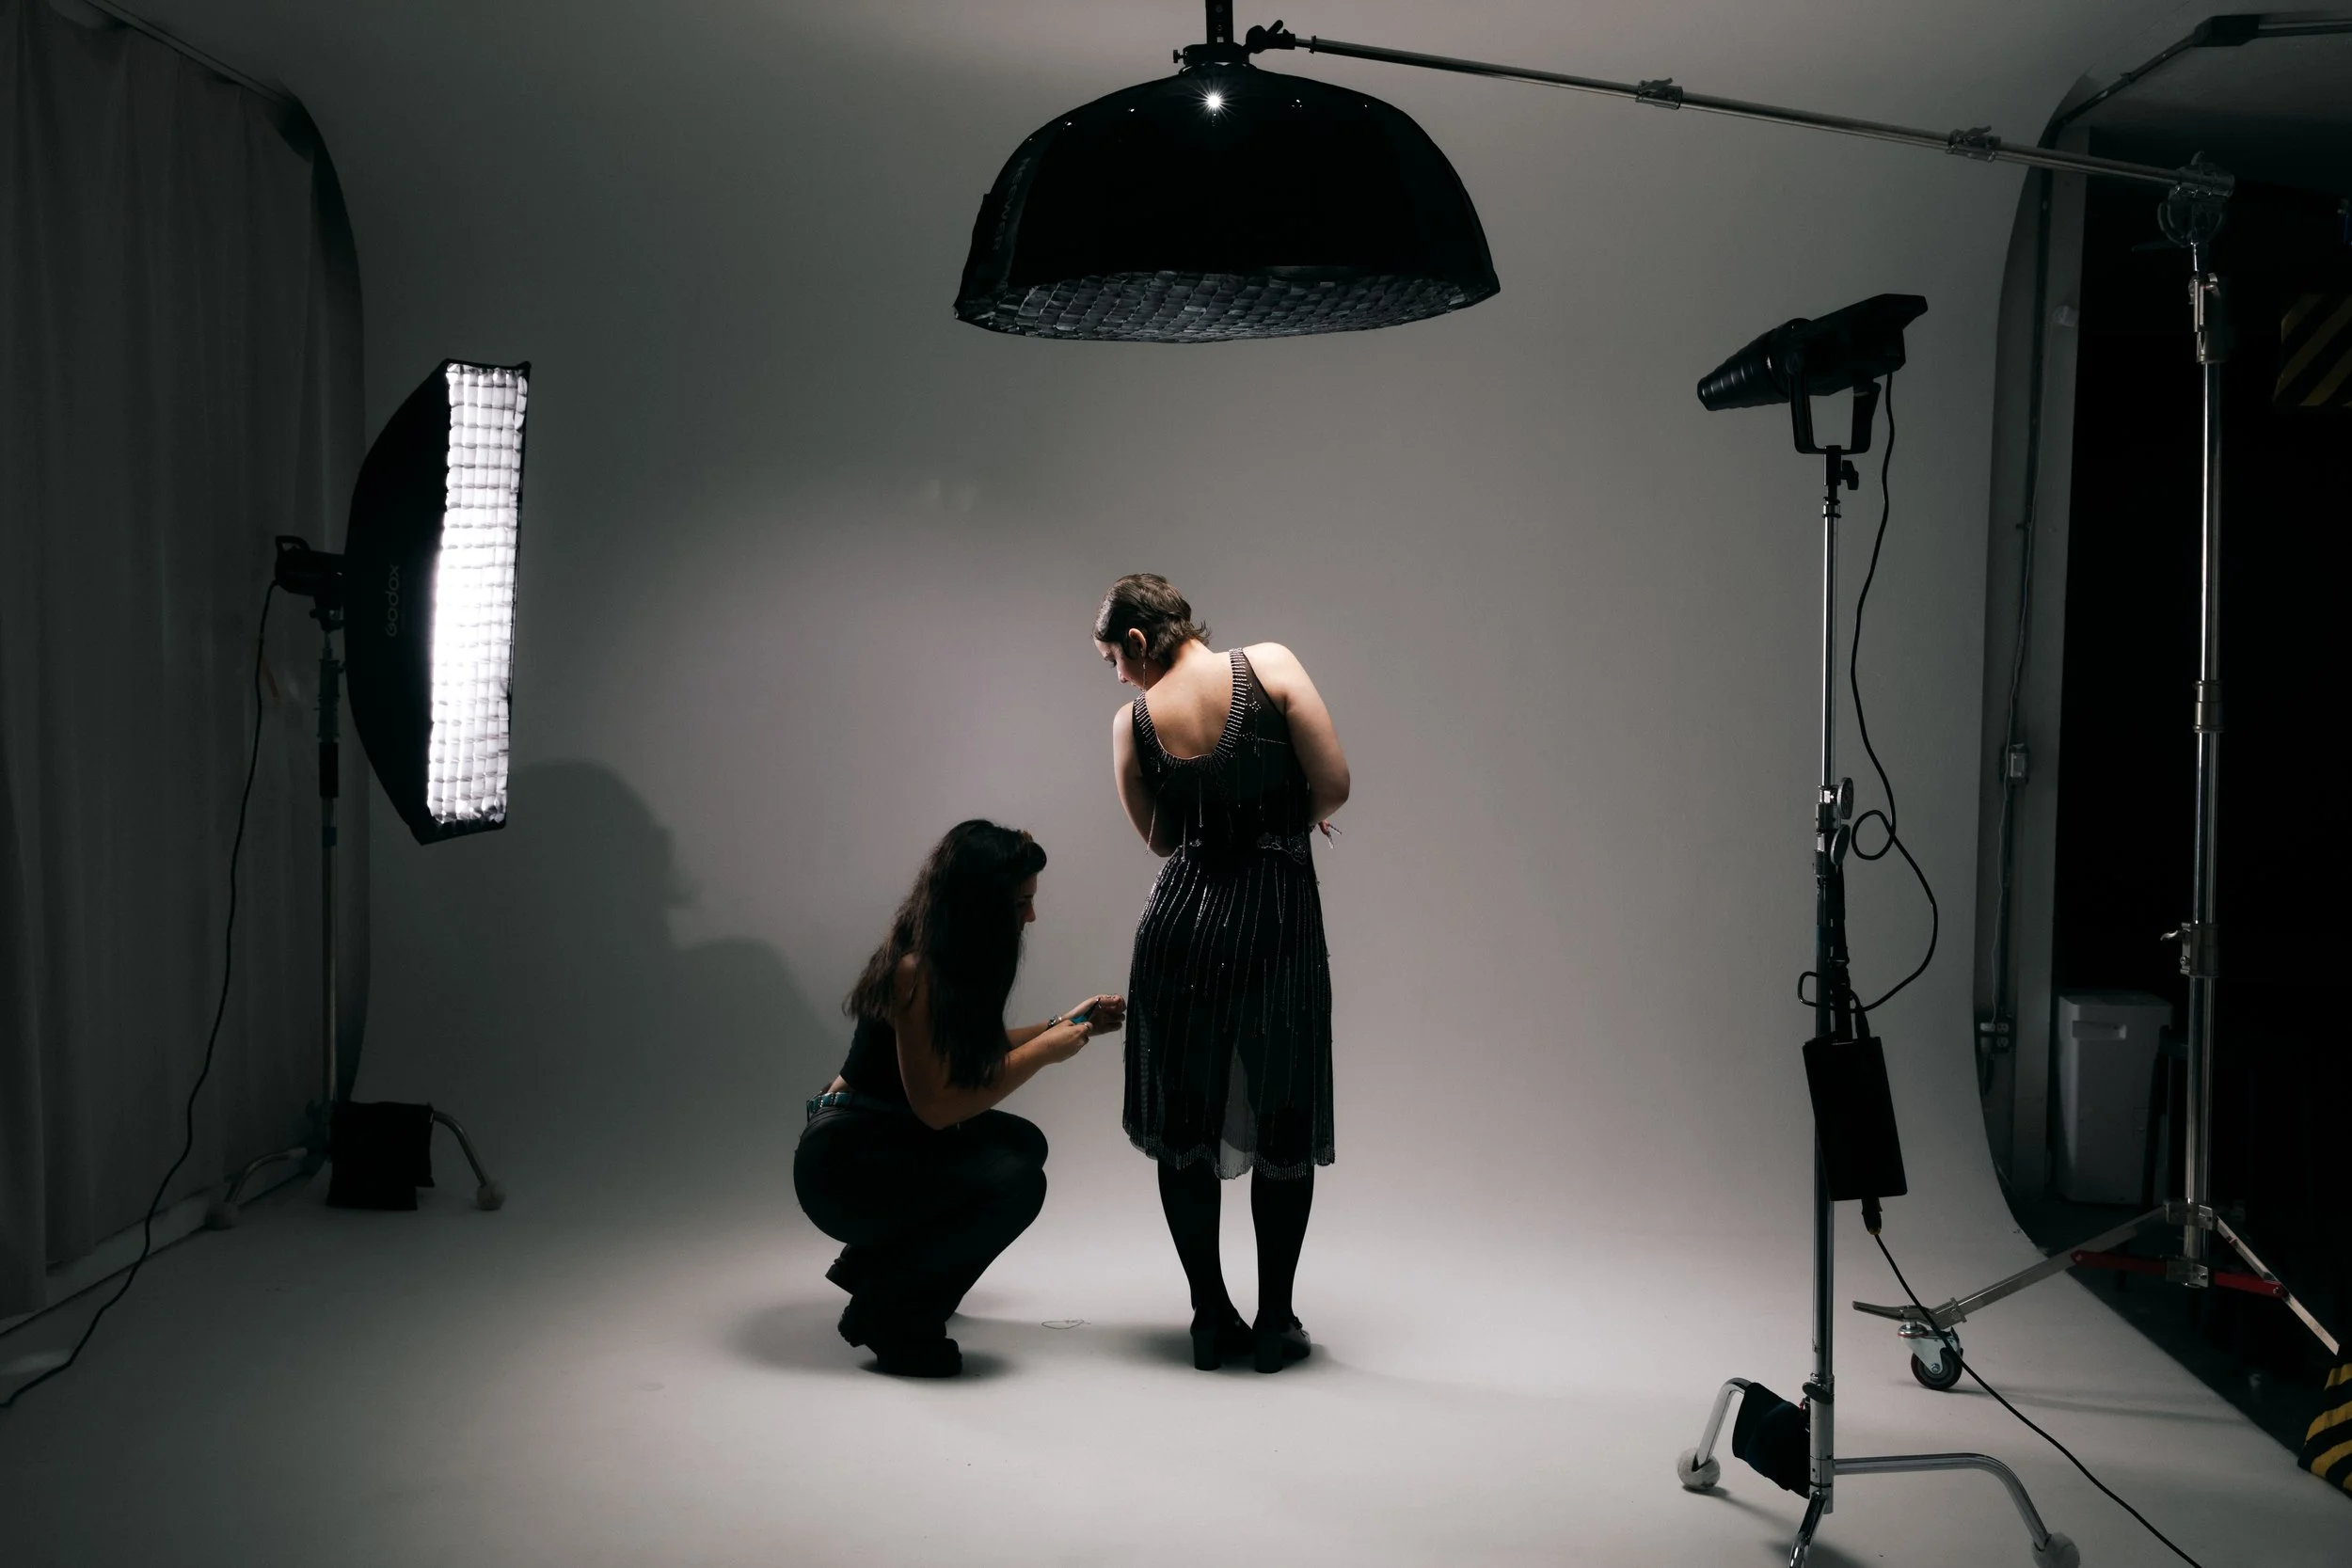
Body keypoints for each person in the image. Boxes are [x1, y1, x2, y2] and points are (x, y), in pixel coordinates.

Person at [1095, 574, 1348, 1373]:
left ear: (1137, 642)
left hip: (1180, 937)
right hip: (1276, 926)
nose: (1118, 677)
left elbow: (1164, 841)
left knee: (1187, 1129)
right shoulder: (1270, 663)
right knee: (1283, 1125)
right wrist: (1281, 817)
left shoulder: (1131, 723)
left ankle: (1210, 1317)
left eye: (1113, 659)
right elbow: (1335, 784)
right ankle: (1274, 1325)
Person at [794, 820, 1124, 1377]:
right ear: (979, 904)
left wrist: (1061, 1023)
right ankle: (894, 1313)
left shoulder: (951, 960)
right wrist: (1045, 1052)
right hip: (843, 1165)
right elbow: (939, 1107)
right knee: (1017, 1182)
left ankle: (878, 1272)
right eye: (1021, 903)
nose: (1031, 917)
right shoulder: (915, 971)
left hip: (881, 1137)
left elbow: (968, 1053)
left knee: (1022, 1143)